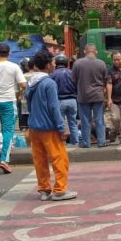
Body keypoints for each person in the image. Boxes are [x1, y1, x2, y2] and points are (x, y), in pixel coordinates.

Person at [25, 50, 77, 201]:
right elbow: (54, 108)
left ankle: (44, 189)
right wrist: (62, 128)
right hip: (49, 127)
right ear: (48, 65)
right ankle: (60, 190)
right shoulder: (49, 83)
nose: (55, 64)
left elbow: (28, 105)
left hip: (34, 126)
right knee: (59, 158)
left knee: (40, 160)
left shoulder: (30, 82)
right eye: (53, 62)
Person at [0, 43, 27, 174]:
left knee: (4, 127)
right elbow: (23, 85)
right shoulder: (14, 67)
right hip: (8, 101)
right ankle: (4, 160)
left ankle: (6, 149)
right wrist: (18, 94)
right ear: (10, 53)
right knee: (9, 130)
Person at [71, 44, 109, 148]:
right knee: (99, 120)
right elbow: (106, 80)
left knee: (85, 120)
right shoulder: (101, 63)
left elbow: (73, 80)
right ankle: (101, 141)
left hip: (83, 96)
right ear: (95, 51)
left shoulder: (77, 63)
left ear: (85, 51)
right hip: (98, 95)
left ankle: (86, 142)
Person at [50, 54, 79, 145]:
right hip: (72, 101)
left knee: (60, 123)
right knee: (73, 123)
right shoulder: (72, 73)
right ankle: (75, 142)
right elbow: (77, 86)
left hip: (59, 101)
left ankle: (61, 143)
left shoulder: (53, 74)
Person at [106, 51, 121, 144]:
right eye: (114, 60)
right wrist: (109, 99)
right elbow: (109, 83)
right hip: (114, 100)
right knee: (115, 118)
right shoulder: (110, 70)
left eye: (118, 59)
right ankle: (113, 131)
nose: (116, 61)